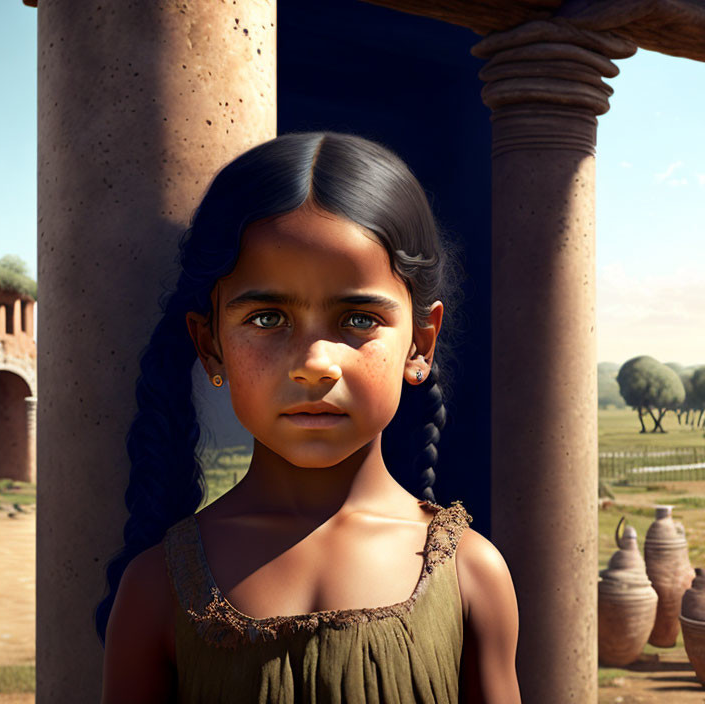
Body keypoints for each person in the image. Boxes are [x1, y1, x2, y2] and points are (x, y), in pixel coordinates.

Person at [97, 131, 521, 703]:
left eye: (359, 320)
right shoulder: (155, 588)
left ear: (420, 345)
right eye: (268, 319)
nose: (315, 365)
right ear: (211, 346)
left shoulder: (472, 573)